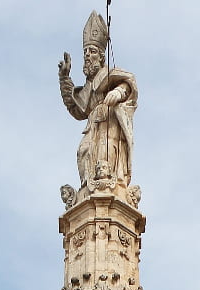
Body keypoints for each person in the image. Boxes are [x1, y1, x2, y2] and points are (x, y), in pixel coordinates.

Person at [57, 12, 138, 190]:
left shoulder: (108, 74)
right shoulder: (88, 87)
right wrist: (64, 78)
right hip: (93, 126)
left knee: (106, 157)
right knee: (83, 151)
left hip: (110, 124)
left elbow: (128, 83)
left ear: (101, 56)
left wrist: (118, 92)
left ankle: (106, 187)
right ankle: (87, 189)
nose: (87, 55)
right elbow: (76, 109)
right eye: (85, 52)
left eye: (92, 51)